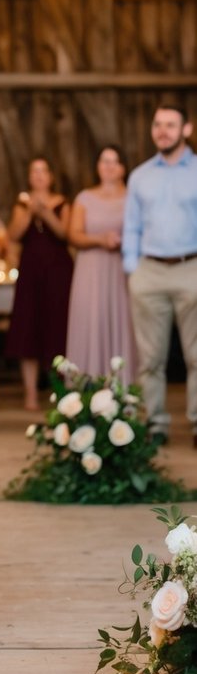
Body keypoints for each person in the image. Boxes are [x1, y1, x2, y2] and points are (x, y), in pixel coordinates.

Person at [123, 104, 197, 444]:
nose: (162, 131)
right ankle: (156, 424)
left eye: (170, 125)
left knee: (196, 355)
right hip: (149, 272)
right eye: (158, 125)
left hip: (190, 269)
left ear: (186, 130)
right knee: (150, 358)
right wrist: (132, 270)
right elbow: (132, 226)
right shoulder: (140, 176)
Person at [5, 156, 73, 411]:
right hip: (31, 272)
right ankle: (30, 393)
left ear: (51, 176)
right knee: (28, 328)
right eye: (34, 171)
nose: (39, 175)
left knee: (59, 327)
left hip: (58, 272)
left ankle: (63, 391)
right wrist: (30, 213)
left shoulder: (63, 203)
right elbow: (13, 235)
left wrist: (45, 212)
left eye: (44, 170)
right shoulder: (21, 205)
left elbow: (65, 234)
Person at [66, 144, 136, 382]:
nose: (108, 166)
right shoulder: (84, 198)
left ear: (123, 168)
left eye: (114, 161)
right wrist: (100, 239)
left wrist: (123, 240)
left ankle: (123, 390)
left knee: (122, 322)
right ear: (97, 166)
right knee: (90, 321)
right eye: (104, 161)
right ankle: (85, 388)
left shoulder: (133, 198)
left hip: (121, 269)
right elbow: (73, 235)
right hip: (90, 269)